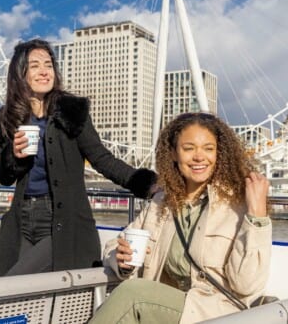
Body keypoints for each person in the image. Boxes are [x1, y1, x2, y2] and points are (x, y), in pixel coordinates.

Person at [0, 39, 157, 277]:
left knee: (10, 284)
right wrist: (14, 156)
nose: (44, 71)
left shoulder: (71, 111)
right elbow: (3, 177)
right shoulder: (8, 118)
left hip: (60, 218)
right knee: (22, 297)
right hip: (21, 218)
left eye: (48, 64)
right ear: (19, 73)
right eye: (35, 65)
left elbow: (101, 158)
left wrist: (149, 184)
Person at [91, 112, 271, 324]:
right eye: (188, 148)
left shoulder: (237, 206)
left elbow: (246, 285)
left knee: (132, 296)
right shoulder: (162, 203)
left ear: (219, 154)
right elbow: (116, 244)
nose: (199, 157)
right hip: (166, 310)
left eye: (208, 148)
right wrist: (122, 261)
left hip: (215, 312)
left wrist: (257, 218)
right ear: (174, 154)